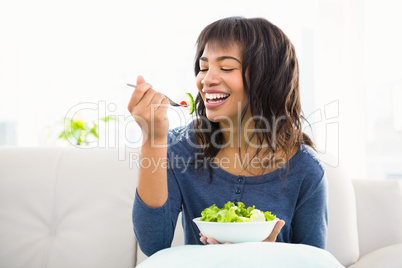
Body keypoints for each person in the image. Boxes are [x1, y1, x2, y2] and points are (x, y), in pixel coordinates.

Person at [128, 16, 327, 257]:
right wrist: (153, 139)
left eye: (226, 68)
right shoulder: (180, 148)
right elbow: (153, 245)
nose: (206, 80)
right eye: (203, 68)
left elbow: (315, 260)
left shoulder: (305, 168)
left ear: (268, 79)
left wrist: (268, 258)